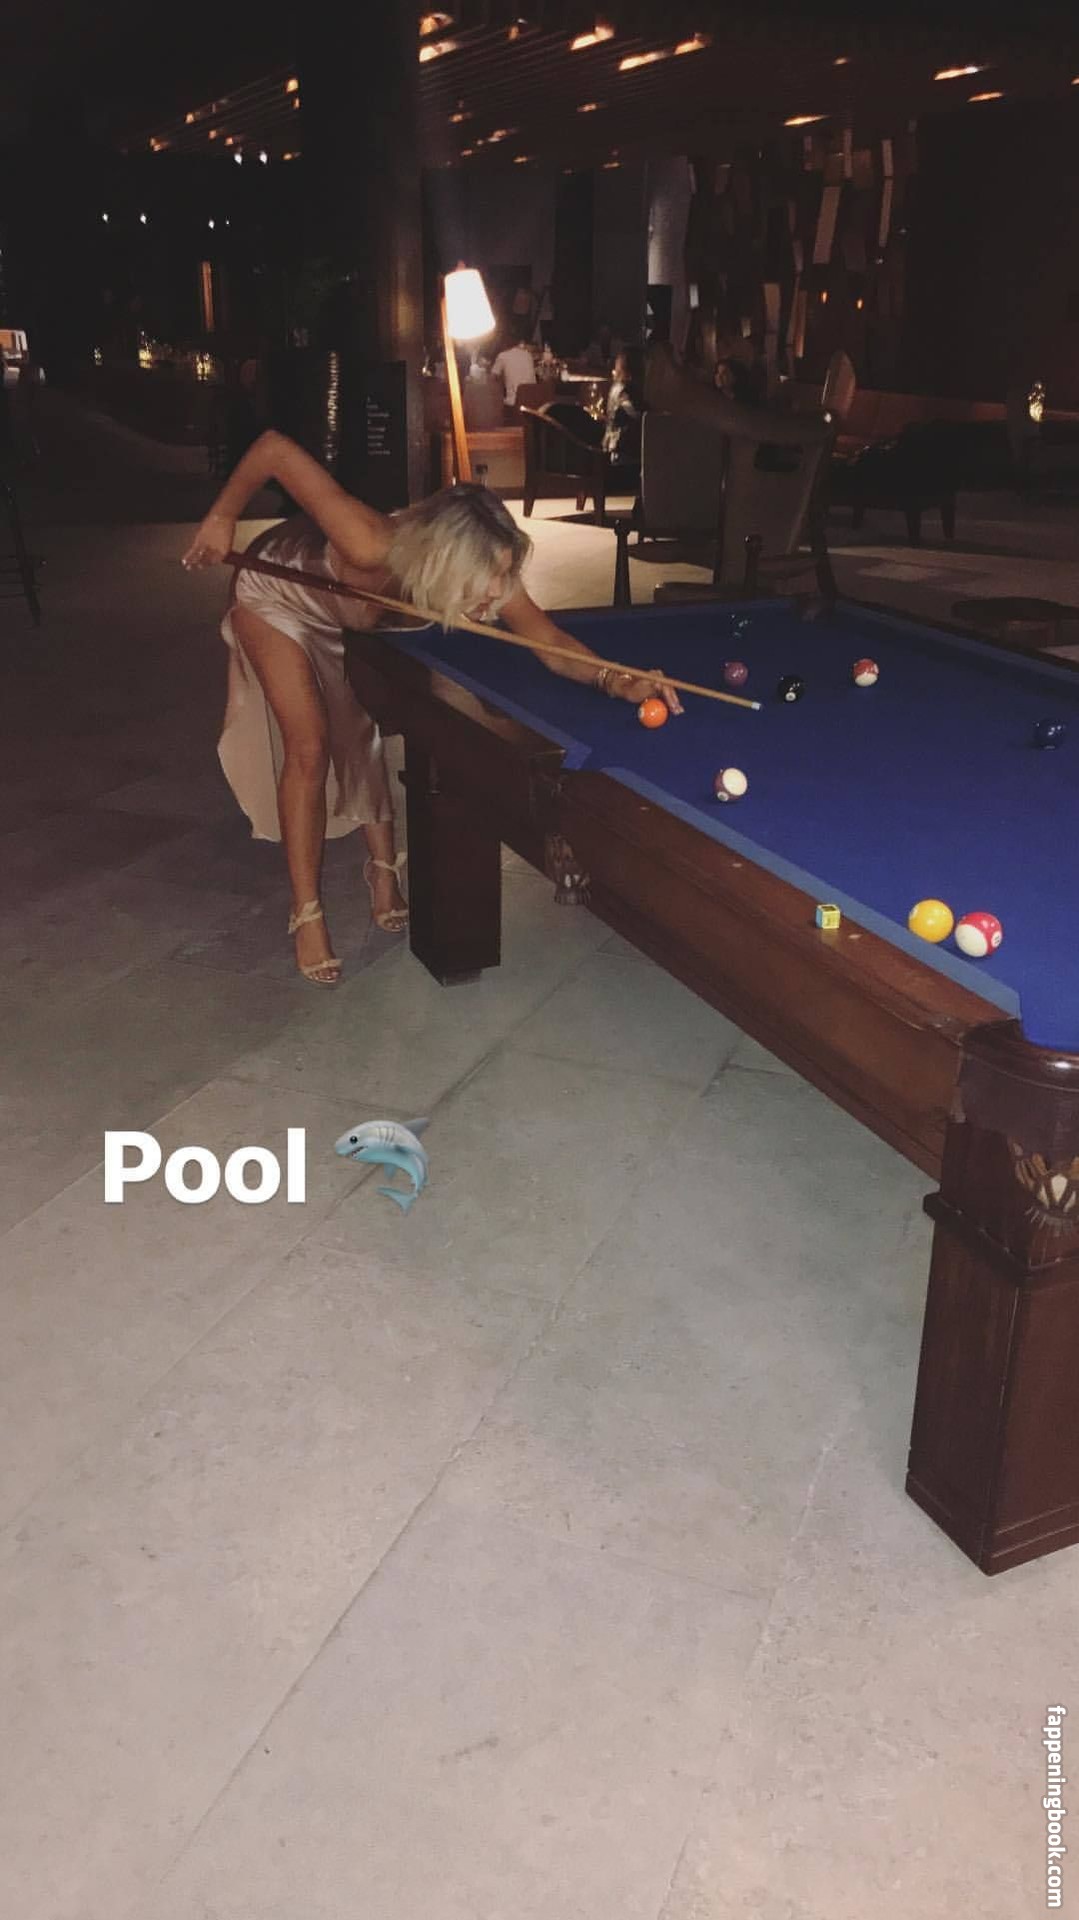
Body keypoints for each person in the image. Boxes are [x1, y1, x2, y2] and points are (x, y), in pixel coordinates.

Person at [182, 430, 682, 985]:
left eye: (504, 578)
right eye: (490, 581)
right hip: (278, 594)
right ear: (447, 560)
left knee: (358, 728)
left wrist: (616, 680)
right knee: (310, 745)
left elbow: (550, 643)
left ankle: (382, 871)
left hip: (349, 615)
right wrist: (222, 517)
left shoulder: (484, 571)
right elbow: (274, 449)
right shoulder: (368, 542)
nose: (496, 595)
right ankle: (307, 912)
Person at [602, 346, 646, 469]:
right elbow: (635, 414)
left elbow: (624, 415)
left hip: (620, 452)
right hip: (623, 453)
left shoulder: (619, 390)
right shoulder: (623, 391)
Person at [491, 331, 536, 411]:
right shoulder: (528, 355)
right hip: (532, 400)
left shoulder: (503, 356)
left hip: (514, 402)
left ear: (503, 343)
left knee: (492, 401)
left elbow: (493, 377)